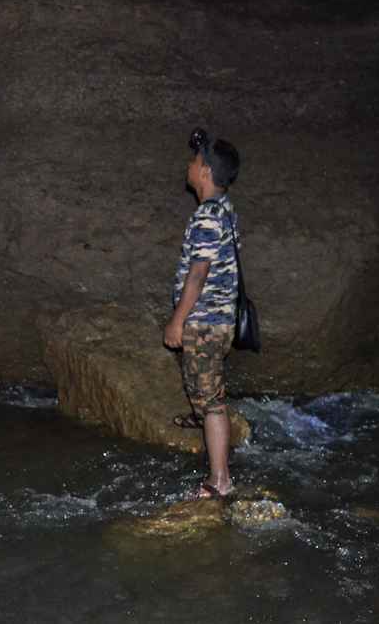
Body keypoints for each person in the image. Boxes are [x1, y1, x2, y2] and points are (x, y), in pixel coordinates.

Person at [163, 127, 241, 499]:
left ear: (206, 172)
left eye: (195, 161)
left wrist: (178, 320)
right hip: (218, 319)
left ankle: (220, 481)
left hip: (205, 322)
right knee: (204, 385)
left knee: (213, 402)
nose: (189, 166)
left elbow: (199, 273)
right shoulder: (224, 210)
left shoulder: (208, 216)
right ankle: (201, 410)